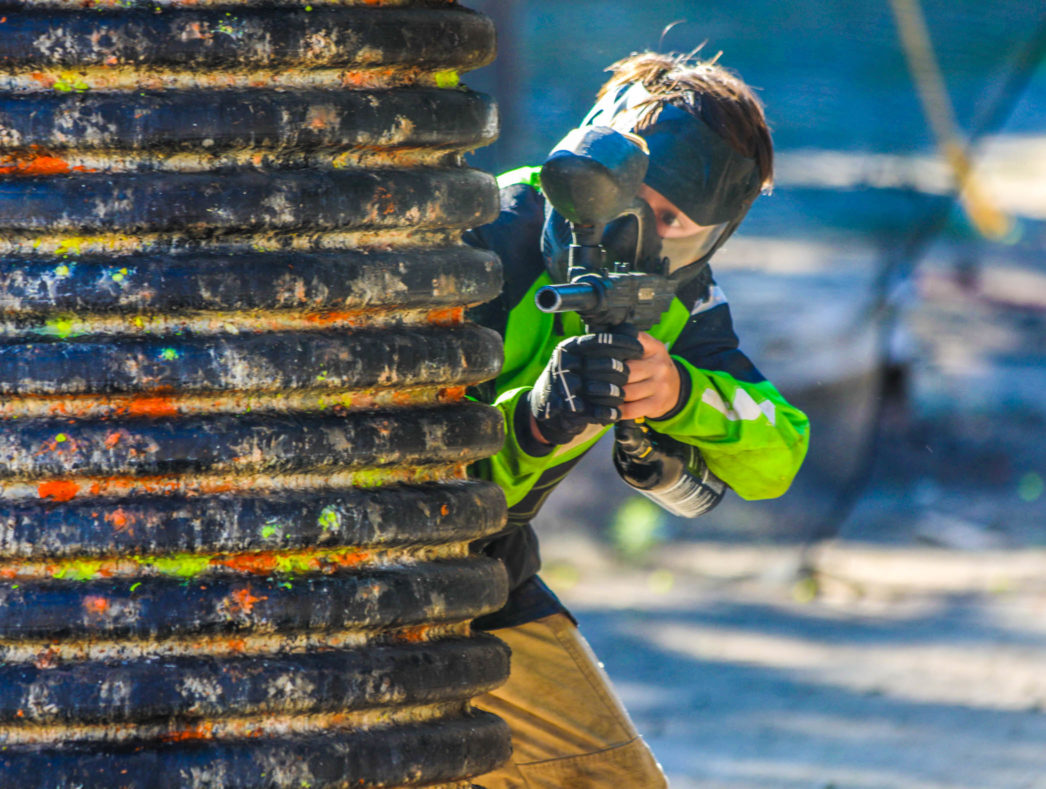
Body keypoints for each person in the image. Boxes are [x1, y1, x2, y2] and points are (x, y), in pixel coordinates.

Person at [464, 51, 810, 788]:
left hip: (490, 575)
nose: (636, 236)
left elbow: (779, 454)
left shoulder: (680, 294)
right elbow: (391, 473)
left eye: (670, 222)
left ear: (708, 240)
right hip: (365, 572)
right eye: (623, 199)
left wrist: (679, 392)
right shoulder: (478, 236)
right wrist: (533, 423)